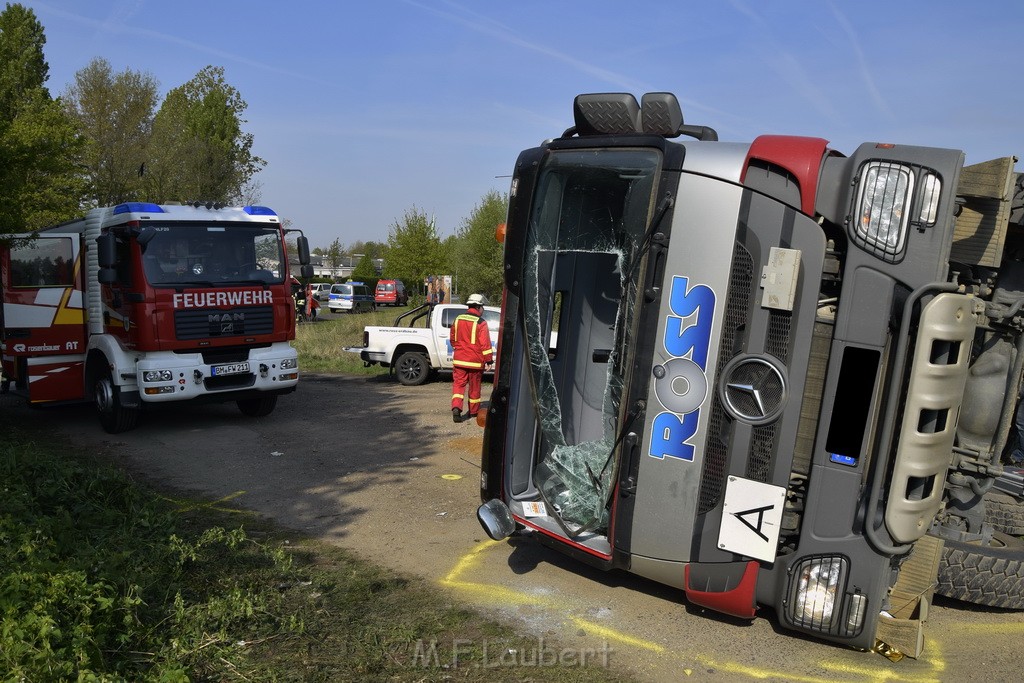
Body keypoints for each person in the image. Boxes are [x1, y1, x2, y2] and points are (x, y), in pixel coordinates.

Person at [450, 293, 493, 423]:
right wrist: (489, 360)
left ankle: (456, 407)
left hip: (459, 359)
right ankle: (473, 412)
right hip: (475, 361)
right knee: (474, 387)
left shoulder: (457, 319)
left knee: (458, 385)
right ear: (479, 307)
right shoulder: (481, 322)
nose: (483, 310)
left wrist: (459, 349)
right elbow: (485, 344)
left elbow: (453, 339)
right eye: (483, 307)